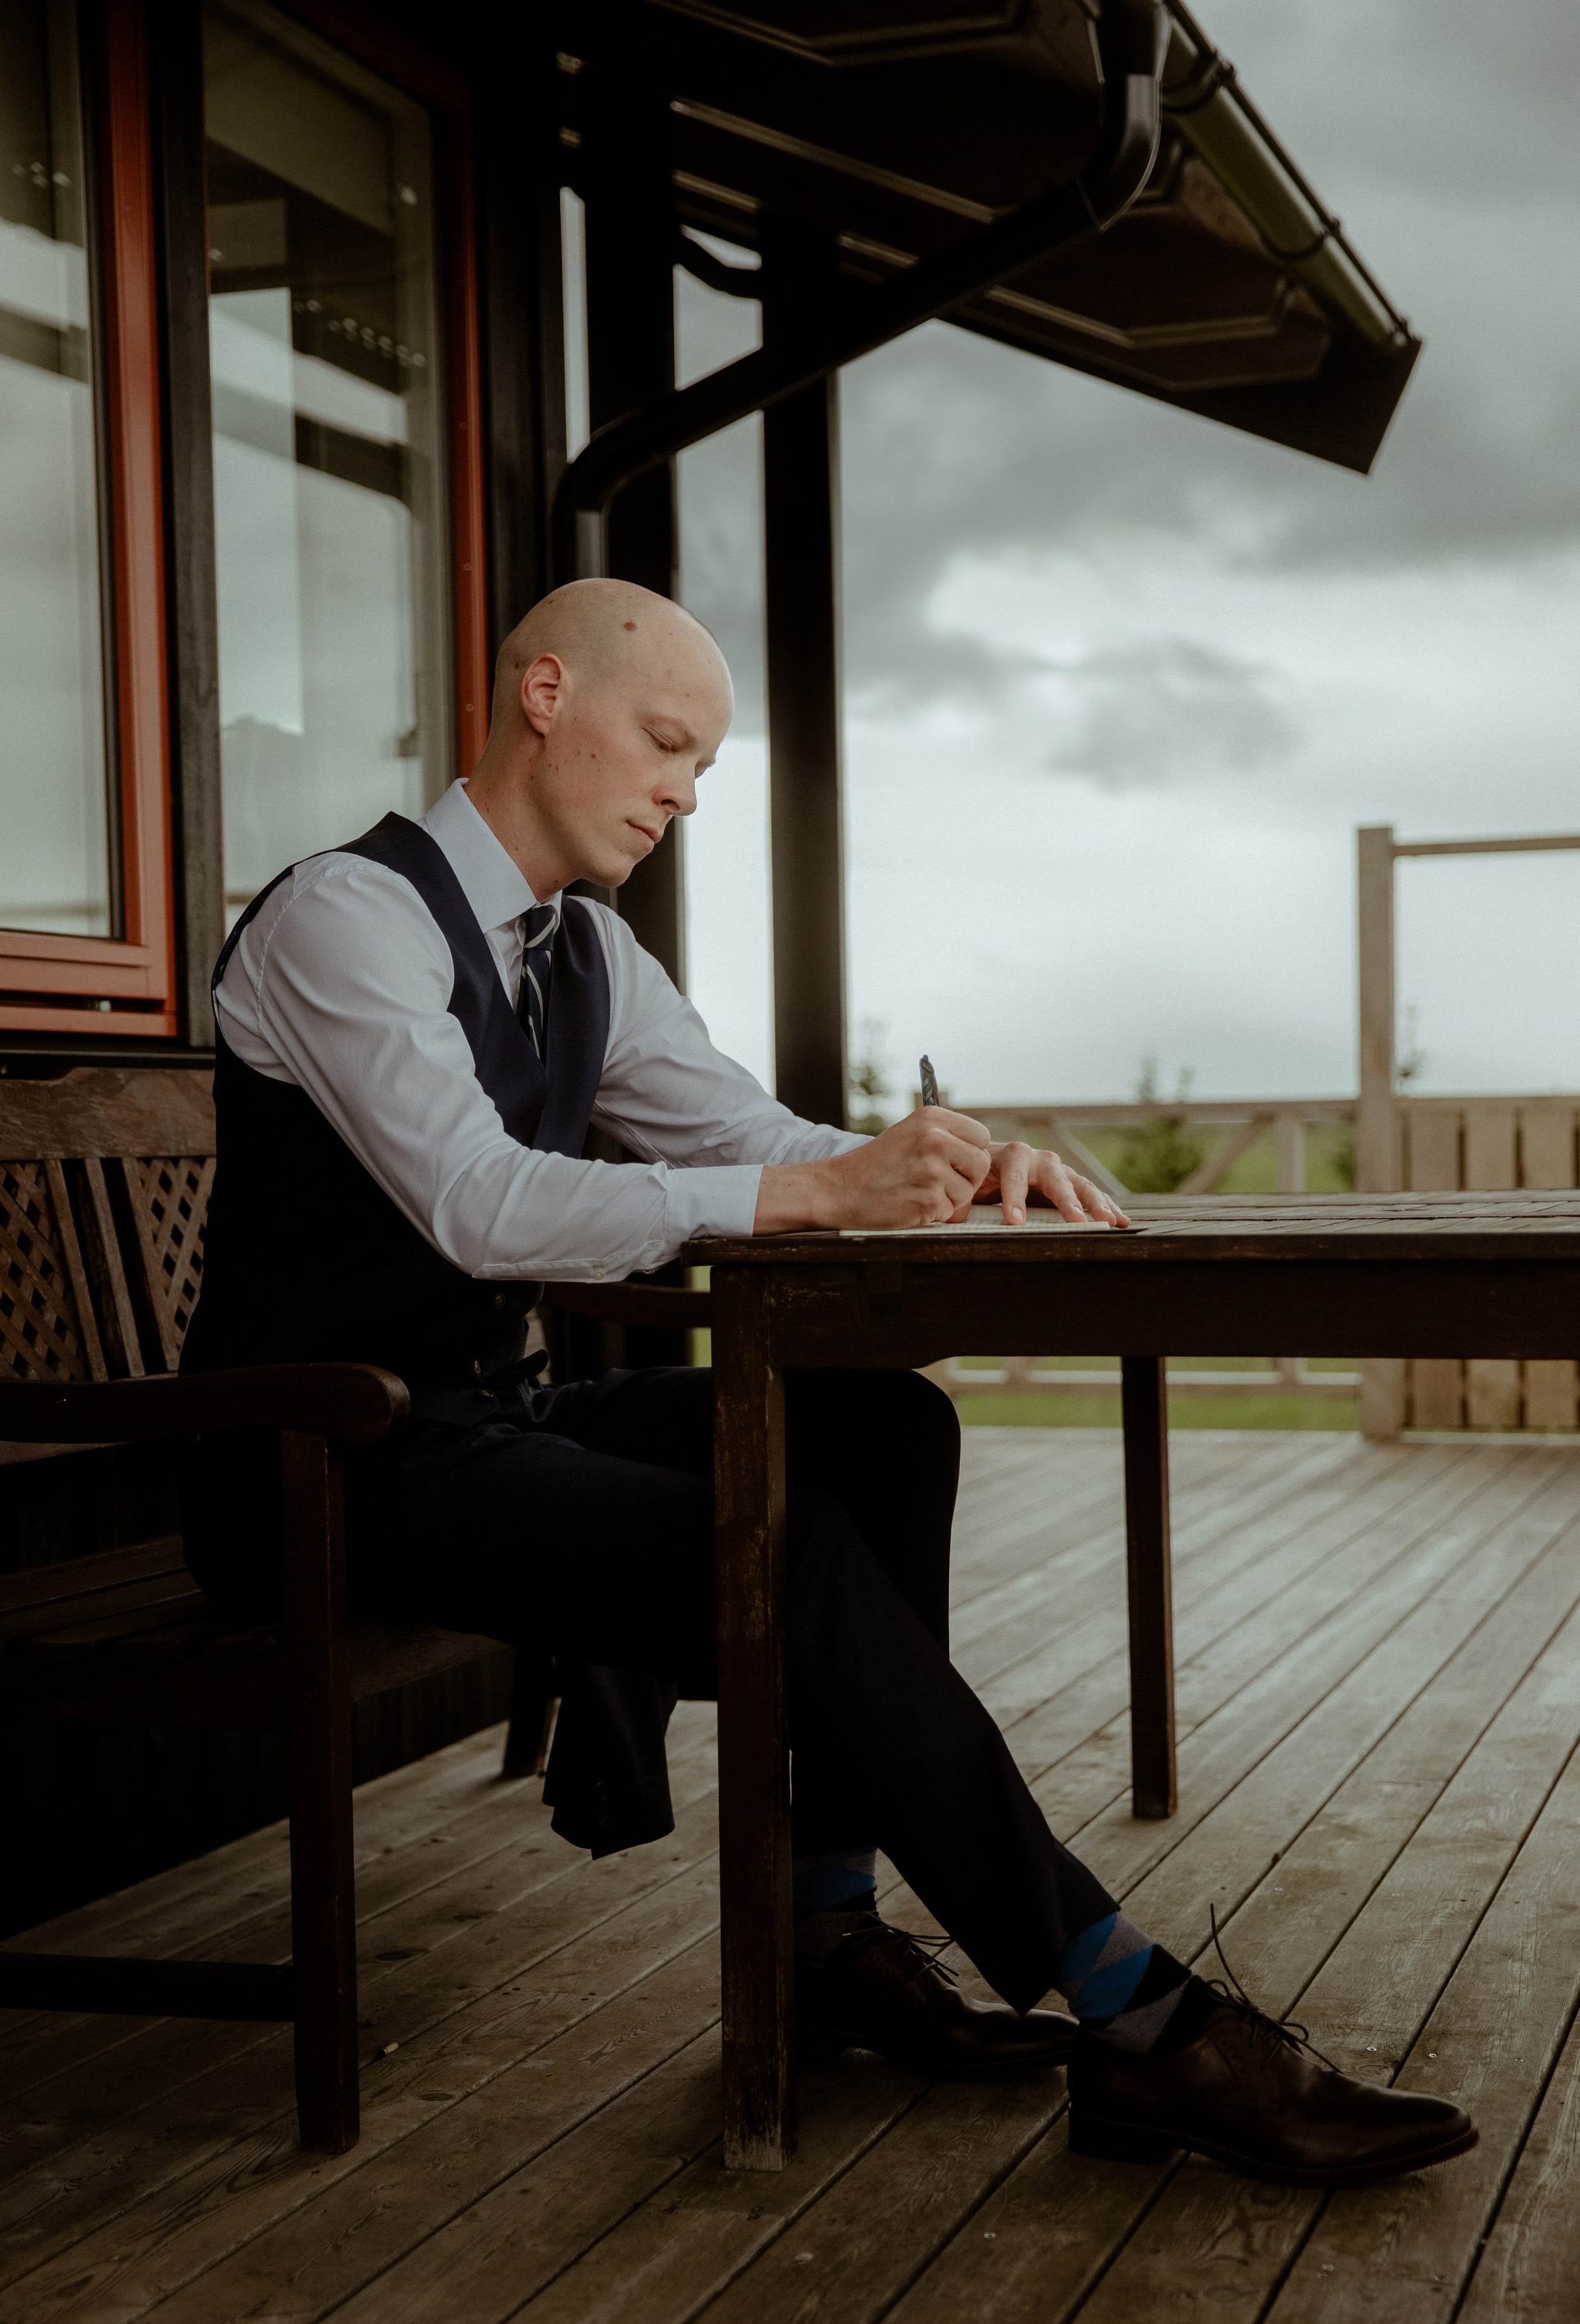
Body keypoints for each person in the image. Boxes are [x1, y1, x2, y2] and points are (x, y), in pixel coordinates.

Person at [182, 578, 1475, 2189]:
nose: (683, 792)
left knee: (878, 1425)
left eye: (704, 765)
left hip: (477, 1418)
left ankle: (826, 1930)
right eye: (664, 743)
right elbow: (483, 1199)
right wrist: (812, 1200)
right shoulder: (344, 919)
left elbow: (755, 1143)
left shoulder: (583, 952)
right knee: (770, 1544)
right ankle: (1134, 2013)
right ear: (541, 692)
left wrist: (951, 1163)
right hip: (315, 1459)